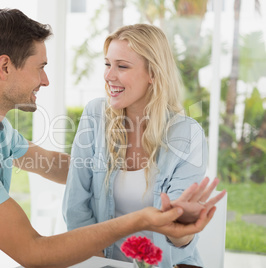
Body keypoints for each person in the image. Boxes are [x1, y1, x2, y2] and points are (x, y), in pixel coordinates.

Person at [0, 10, 220, 268]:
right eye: (39, 67)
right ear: (5, 67)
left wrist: (102, 174)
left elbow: (50, 163)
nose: (46, 80)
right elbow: (33, 252)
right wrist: (140, 218)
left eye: (123, 66)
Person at [63, 24, 226, 268]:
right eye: (107, 64)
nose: (109, 76)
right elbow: (76, 207)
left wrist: (182, 227)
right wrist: (99, 262)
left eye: (122, 66)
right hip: (100, 261)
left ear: (154, 73)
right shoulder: (95, 115)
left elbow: (178, 240)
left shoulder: (186, 133)